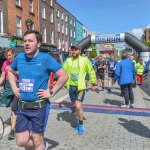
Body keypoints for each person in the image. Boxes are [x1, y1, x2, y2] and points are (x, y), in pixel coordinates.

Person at [8, 30, 68, 150]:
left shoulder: (45, 58)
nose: (26, 43)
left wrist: (51, 92)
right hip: (22, 107)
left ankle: (40, 146)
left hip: (39, 107)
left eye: (30, 41)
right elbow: (10, 71)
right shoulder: (19, 58)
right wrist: (14, 87)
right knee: (21, 141)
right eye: (25, 41)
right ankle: (43, 146)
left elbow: (64, 76)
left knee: (37, 139)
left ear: (39, 44)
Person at [63, 45, 96, 135]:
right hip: (71, 87)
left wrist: (93, 83)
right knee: (76, 106)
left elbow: (91, 70)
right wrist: (60, 82)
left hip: (80, 87)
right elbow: (62, 71)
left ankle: (81, 124)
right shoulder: (68, 60)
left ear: (80, 51)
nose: (73, 51)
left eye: (76, 49)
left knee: (77, 106)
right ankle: (80, 112)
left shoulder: (84, 60)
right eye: (72, 50)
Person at [0, 48, 19, 139]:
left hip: (18, 85)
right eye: (7, 56)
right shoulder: (5, 63)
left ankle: (13, 129)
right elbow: (3, 76)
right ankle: (17, 120)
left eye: (10, 55)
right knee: (11, 105)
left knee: (14, 106)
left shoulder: (18, 62)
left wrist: (14, 72)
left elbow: (23, 73)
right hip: (8, 86)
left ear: (13, 54)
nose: (8, 57)